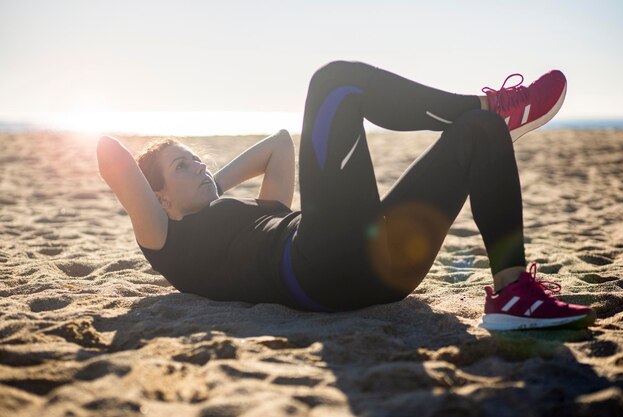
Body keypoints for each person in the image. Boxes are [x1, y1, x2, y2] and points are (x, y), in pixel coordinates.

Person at [97, 61, 595, 331]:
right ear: (157, 198)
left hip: (382, 268)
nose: (199, 164)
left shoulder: (245, 211)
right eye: (182, 166)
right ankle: (492, 104)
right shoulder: (166, 239)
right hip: (318, 265)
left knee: (480, 133)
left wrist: (213, 185)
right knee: (334, 82)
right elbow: (110, 155)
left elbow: (279, 145)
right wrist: (172, 192)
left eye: (197, 157)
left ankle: (513, 294)